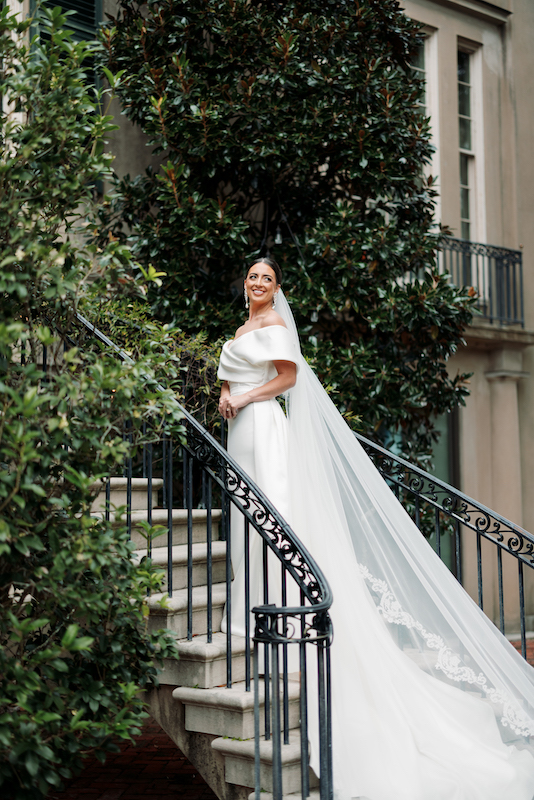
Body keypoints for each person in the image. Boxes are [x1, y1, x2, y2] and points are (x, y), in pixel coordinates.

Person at [218, 258, 534, 800]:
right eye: (252, 277)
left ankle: (287, 626)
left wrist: (244, 397)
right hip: (238, 432)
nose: (258, 284)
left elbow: (288, 378)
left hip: (264, 427)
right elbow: (233, 374)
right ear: (244, 284)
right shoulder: (243, 327)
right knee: (247, 525)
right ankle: (252, 613)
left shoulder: (273, 326)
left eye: (267, 279)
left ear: (278, 289)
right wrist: (228, 396)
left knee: (275, 522)